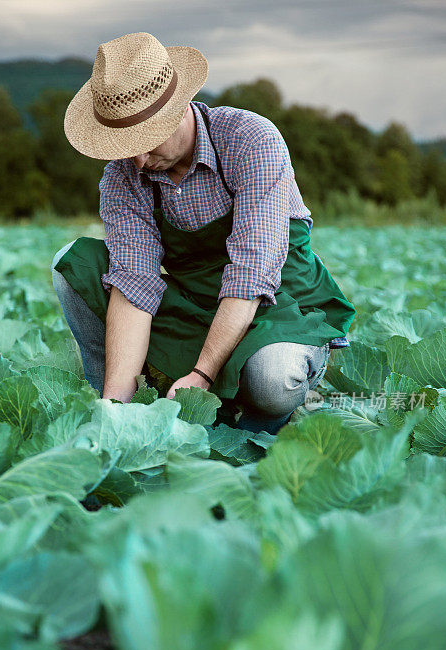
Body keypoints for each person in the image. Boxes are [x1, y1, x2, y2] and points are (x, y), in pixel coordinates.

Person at [52, 32, 356, 434]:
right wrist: (115, 412)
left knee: (273, 381)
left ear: (179, 110)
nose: (139, 161)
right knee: (72, 263)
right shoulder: (123, 176)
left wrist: (202, 376)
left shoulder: (250, 140)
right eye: (127, 146)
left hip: (276, 302)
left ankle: (271, 417)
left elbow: (250, 277)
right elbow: (135, 288)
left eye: (146, 141)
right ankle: (110, 402)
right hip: (196, 305)